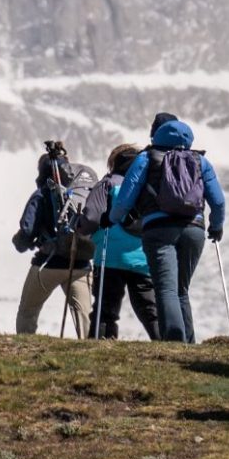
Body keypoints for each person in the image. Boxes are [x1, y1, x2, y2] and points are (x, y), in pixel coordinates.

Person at [108, 113, 226, 342]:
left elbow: (125, 197)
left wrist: (112, 218)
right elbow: (219, 201)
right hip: (194, 229)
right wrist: (216, 226)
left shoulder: (146, 158)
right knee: (181, 290)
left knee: (166, 288)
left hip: (158, 229)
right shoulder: (200, 161)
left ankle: (174, 341)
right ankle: (188, 344)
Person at [11, 141, 96, 335]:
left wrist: (20, 243)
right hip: (80, 263)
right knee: (84, 315)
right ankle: (92, 353)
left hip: (48, 264)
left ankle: (25, 347)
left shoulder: (41, 194)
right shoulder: (82, 192)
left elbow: (27, 230)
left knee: (28, 311)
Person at [91, 143, 159, 340]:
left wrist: (85, 232)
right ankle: (167, 344)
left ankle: (100, 346)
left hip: (109, 255)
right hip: (142, 257)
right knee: (150, 309)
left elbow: (91, 217)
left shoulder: (108, 183)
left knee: (105, 308)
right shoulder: (147, 186)